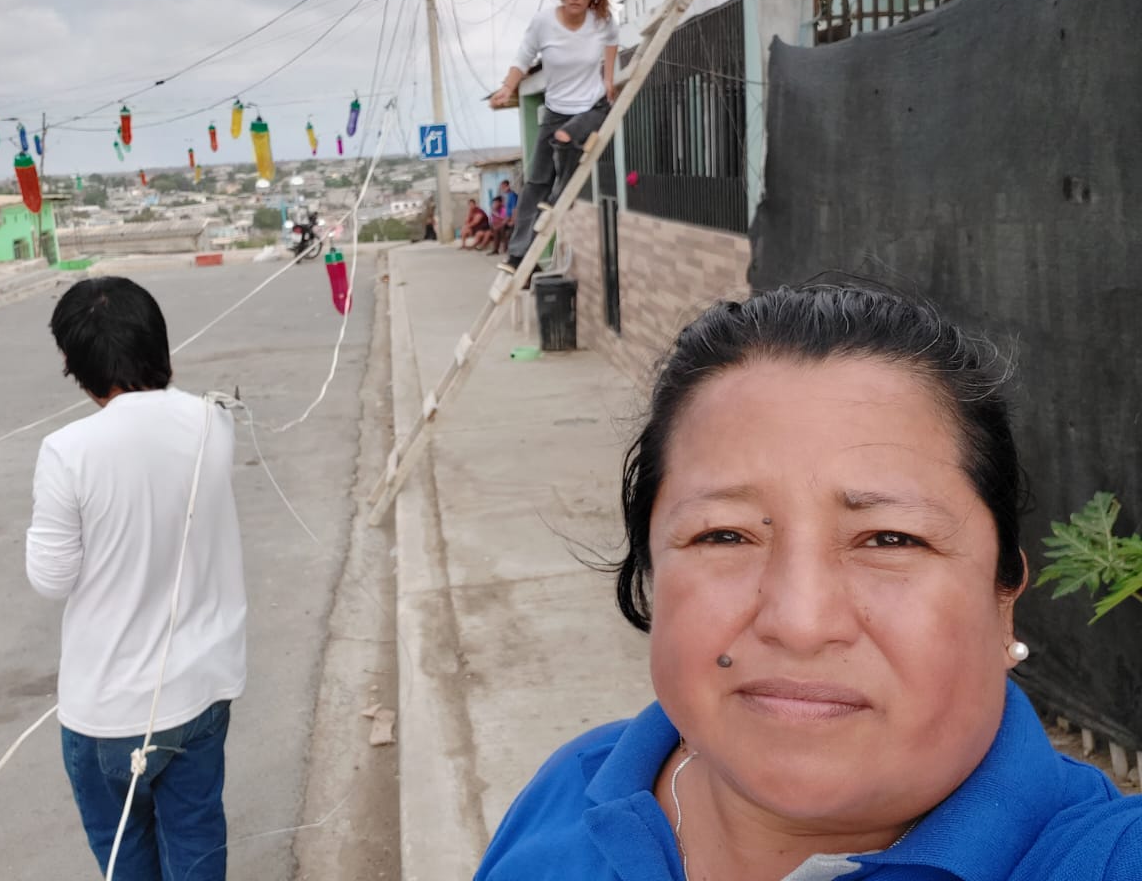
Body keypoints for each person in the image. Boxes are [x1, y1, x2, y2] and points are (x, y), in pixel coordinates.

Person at [476, 285, 1142, 881]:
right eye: (724, 535)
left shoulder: (1101, 856)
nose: (799, 622)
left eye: (890, 539)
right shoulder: (573, 785)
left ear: (1004, 599)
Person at [27, 276, 246, 881]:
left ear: (77, 366)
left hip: (111, 711)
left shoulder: (67, 451)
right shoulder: (213, 421)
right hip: (201, 690)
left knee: (127, 857)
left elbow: (50, 577)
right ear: (156, 342)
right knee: (196, 840)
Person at [490, 0, 618, 274]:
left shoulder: (602, 21)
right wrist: (507, 88)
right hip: (556, 110)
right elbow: (523, 57)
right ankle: (517, 256)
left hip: (592, 108)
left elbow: (612, 42)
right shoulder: (543, 23)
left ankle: (562, 193)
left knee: (565, 138)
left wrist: (608, 79)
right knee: (535, 183)